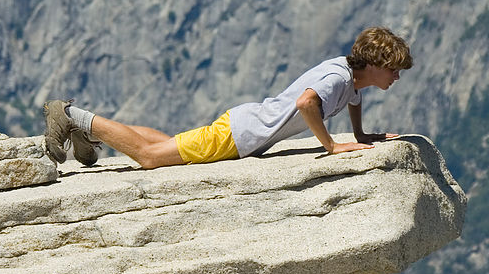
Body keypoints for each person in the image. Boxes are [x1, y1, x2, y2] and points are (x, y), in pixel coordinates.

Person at [42, 26, 412, 169]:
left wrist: (362, 136)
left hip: (243, 126)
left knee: (170, 144)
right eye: (393, 69)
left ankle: (91, 135)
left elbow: (353, 98)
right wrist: (330, 146)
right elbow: (306, 103)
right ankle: (71, 115)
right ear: (374, 63)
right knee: (151, 158)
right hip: (239, 136)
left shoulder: (349, 77)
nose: (396, 77)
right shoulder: (336, 77)